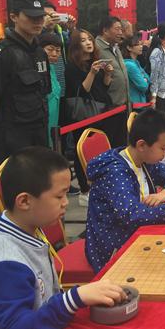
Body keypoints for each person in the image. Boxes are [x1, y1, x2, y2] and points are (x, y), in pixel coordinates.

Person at [0, 147, 126, 329]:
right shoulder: (6, 263)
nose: (66, 202)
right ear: (24, 201)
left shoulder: (27, 227)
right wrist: (73, 299)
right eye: (59, 196)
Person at [85, 109, 165, 273]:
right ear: (142, 145)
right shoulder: (116, 173)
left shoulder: (143, 159)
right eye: (163, 148)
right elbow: (131, 215)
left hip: (138, 229)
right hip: (113, 245)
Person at [0, 0, 51, 170]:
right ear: (14, 17)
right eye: (31, 17)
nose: (38, 21)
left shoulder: (40, 53)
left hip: (39, 133)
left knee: (40, 181)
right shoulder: (0, 54)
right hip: (11, 137)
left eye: (41, 17)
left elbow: (44, 93)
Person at [65, 29, 113, 206]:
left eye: (89, 39)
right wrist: (92, 73)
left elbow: (103, 88)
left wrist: (107, 74)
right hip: (83, 114)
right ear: (76, 45)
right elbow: (83, 90)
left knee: (99, 148)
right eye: (83, 40)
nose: (88, 43)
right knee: (82, 151)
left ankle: (100, 184)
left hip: (101, 110)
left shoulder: (94, 62)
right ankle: (85, 189)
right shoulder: (72, 67)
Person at [95, 16, 129, 108]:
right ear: (105, 31)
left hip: (124, 104)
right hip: (109, 106)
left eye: (121, 29)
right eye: (117, 29)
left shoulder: (115, 47)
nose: (120, 33)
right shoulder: (96, 48)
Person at [39, 33, 63, 148]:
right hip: (42, 125)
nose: (54, 54)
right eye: (50, 49)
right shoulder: (38, 71)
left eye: (58, 50)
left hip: (53, 122)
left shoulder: (52, 68)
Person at [120, 35, 150, 104]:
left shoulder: (136, 62)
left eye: (141, 44)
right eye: (137, 44)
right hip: (135, 102)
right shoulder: (130, 65)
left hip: (140, 100)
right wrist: (144, 79)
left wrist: (145, 79)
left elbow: (148, 78)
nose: (141, 46)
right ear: (129, 47)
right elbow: (144, 86)